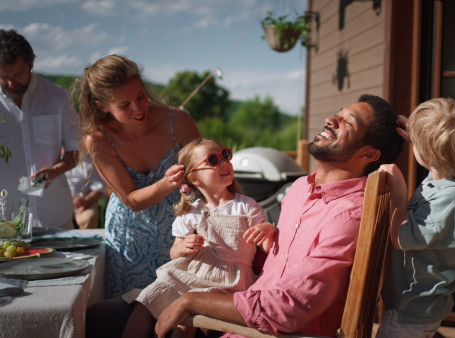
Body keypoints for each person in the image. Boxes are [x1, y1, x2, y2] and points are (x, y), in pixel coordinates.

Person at [148, 94, 404, 338]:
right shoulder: (301, 187)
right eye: (338, 114)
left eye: (348, 122)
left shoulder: (350, 215)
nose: (331, 121)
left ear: (368, 155)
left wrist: (192, 300)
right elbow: (273, 268)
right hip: (239, 323)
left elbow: (287, 307)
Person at [73, 54, 201, 298]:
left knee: (182, 313)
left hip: (181, 234)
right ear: (102, 106)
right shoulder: (98, 140)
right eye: (124, 105)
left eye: (140, 96)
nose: (139, 108)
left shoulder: (179, 121)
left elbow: (206, 174)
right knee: (132, 310)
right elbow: (131, 200)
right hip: (130, 240)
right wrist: (167, 182)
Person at [121, 138, 274, 338]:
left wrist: (268, 229)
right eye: (213, 160)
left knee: (186, 314)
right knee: (146, 300)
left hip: (228, 278)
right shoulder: (192, 212)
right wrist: (184, 246)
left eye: (225, 155)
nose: (223, 163)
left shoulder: (246, 206)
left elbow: (267, 248)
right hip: (192, 271)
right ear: (195, 179)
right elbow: (174, 253)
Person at [376, 98, 455, 338]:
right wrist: (419, 137)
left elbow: (400, 237)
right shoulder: (452, 177)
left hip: (413, 308)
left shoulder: (450, 200)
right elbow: (441, 163)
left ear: (429, 157)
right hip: (421, 303)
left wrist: (398, 186)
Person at [0, 29, 79, 229]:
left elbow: (78, 149)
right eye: (3, 76)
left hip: (54, 214)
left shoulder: (58, 96)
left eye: (17, 74)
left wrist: (56, 170)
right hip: (5, 219)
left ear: (31, 64)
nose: (11, 82)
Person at [65, 155, 106, 229]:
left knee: (89, 217)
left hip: (84, 205)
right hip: (59, 204)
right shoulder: (53, 158)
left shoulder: (89, 160)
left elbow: (99, 188)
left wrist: (86, 200)